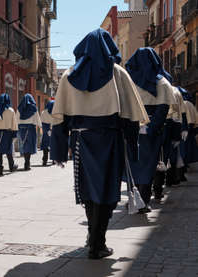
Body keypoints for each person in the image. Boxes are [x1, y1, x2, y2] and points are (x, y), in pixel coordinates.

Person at [51, 29, 148, 259]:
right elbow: (131, 117)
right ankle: (97, 242)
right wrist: (132, 147)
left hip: (81, 140)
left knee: (87, 188)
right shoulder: (118, 74)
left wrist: (57, 149)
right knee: (108, 190)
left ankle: (92, 237)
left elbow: (59, 119)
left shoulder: (69, 75)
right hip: (110, 140)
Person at [125, 48, 176, 212]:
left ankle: (135, 199)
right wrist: (151, 128)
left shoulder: (128, 81)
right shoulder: (162, 82)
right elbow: (162, 109)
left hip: (133, 128)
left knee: (135, 165)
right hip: (150, 131)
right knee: (147, 166)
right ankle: (143, 200)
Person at [0, 93, 18, 176]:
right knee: (9, 150)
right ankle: (11, 166)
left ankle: (0, 168)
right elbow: (14, 123)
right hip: (7, 133)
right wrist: (15, 133)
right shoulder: (11, 110)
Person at [17, 93, 41, 171]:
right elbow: (37, 119)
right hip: (30, 129)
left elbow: (16, 119)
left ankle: (26, 162)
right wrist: (40, 126)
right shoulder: (34, 108)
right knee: (29, 145)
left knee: (24, 144)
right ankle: (27, 162)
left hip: (22, 128)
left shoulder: (20, 108)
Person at [40, 100, 55, 166]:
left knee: (45, 145)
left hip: (46, 130)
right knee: (54, 145)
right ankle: (54, 160)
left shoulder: (43, 112)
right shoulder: (56, 112)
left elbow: (41, 121)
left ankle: (44, 160)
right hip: (54, 129)